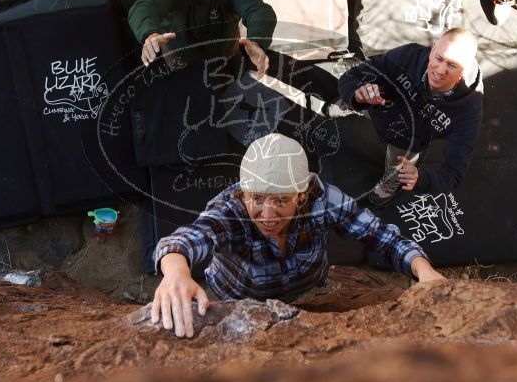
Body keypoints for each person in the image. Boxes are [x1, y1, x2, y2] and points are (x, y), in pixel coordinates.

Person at [151, 133, 445, 338]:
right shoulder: (231, 208)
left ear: (301, 196)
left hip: (310, 293)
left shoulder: (322, 198)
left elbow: (380, 235)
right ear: (243, 193)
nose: (267, 216)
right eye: (257, 199)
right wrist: (175, 272)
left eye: (280, 201)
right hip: (238, 300)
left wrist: (425, 272)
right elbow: (189, 238)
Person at [337, 28, 483, 206]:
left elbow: (453, 174)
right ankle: (352, 104)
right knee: (357, 95)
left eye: (452, 65)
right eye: (439, 58)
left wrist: (420, 178)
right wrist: (356, 95)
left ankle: (390, 183)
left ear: (464, 68)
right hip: (379, 106)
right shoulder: (409, 55)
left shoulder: (468, 110)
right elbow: (353, 75)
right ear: (432, 48)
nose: (441, 70)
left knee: (398, 169)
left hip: (406, 143)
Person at [127, 0, 277, 74]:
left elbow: (257, 9)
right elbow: (146, 6)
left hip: (224, 56)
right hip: (179, 59)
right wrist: (150, 34)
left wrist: (256, 40)